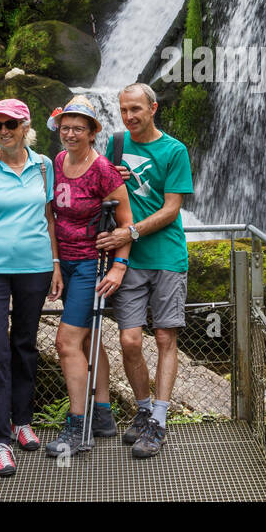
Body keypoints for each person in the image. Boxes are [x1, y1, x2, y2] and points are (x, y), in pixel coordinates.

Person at [0, 99, 60, 478]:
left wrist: (55, 265)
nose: (4, 130)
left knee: (24, 345)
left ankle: (22, 421)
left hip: (35, 267)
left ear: (25, 126)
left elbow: (49, 218)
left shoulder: (44, 166)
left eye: (11, 124)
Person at [95, 83, 194, 459]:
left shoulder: (174, 150)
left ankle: (160, 420)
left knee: (166, 338)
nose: (129, 116)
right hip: (128, 260)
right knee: (130, 340)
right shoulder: (116, 144)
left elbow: (172, 209)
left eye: (136, 109)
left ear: (153, 108)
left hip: (167, 257)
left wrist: (131, 230)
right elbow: (105, 192)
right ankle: (142, 408)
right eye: (123, 110)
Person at [44, 96, 133, 456]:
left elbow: (125, 225)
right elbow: (52, 216)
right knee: (88, 338)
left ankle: (78, 428)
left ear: (93, 131)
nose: (70, 133)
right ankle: (103, 413)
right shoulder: (58, 162)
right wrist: (54, 264)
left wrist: (118, 266)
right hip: (64, 262)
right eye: (65, 127)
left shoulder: (104, 171)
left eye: (78, 128)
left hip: (90, 266)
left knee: (66, 342)